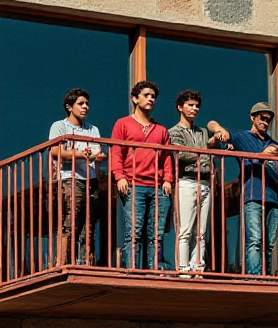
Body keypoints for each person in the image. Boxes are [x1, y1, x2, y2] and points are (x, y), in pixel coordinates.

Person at [111, 80, 174, 270]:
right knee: (134, 232)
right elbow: (116, 151)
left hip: (157, 187)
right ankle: (131, 271)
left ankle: (153, 271)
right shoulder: (123, 124)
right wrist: (119, 176)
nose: (151, 99)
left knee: (156, 233)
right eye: (146, 95)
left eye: (153, 96)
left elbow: (167, 158)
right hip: (133, 185)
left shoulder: (161, 130)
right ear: (134, 98)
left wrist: (168, 179)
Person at [169, 90, 227, 276]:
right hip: (185, 182)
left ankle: (198, 267)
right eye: (190, 105)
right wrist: (202, 153)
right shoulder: (174, 132)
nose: (194, 109)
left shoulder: (201, 131)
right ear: (180, 107)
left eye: (196, 106)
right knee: (185, 229)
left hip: (204, 183)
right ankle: (184, 269)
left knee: (201, 231)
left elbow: (211, 142)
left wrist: (217, 132)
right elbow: (180, 154)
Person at [48, 88, 105, 265]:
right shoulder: (60, 126)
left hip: (91, 179)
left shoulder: (92, 129)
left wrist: (99, 158)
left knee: (89, 226)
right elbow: (56, 151)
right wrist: (81, 154)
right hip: (69, 177)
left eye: (87, 103)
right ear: (69, 107)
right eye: (81, 103)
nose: (85, 107)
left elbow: (98, 152)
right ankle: (65, 263)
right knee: (71, 221)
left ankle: (85, 264)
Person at [229, 102, 278, 276]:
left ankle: (265, 277)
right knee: (254, 240)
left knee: (269, 244)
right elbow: (221, 134)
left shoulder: (275, 144)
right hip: (253, 195)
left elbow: (276, 170)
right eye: (262, 118)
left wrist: (260, 158)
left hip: (273, 198)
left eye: (268, 120)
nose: (265, 123)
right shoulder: (241, 138)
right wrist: (262, 157)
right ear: (253, 117)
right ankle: (255, 276)